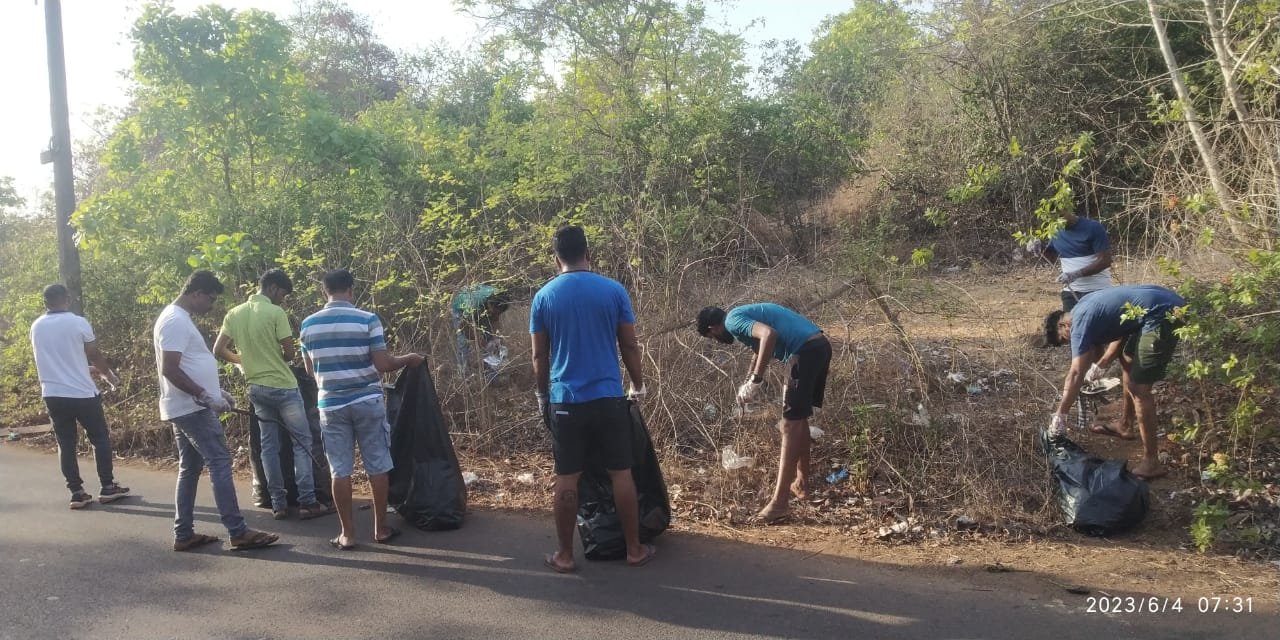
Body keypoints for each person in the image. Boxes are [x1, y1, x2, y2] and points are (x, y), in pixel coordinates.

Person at [531, 225, 654, 573]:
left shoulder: (544, 297)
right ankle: (634, 549)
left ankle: (565, 556)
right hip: (608, 397)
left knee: (567, 477)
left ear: (556, 257)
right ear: (589, 252)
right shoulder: (613, 291)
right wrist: (638, 384)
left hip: (565, 400)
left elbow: (540, 356)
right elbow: (629, 344)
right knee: (621, 473)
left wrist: (542, 395)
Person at [300, 268, 424, 550]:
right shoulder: (367, 319)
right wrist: (409, 359)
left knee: (339, 469)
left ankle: (347, 534)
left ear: (324, 291)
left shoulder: (308, 325)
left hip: (330, 404)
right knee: (377, 464)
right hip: (366, 401)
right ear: (351, 290)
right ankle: (380, 529)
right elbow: (382, 364)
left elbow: (310, 370)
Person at [154, 270, 278, 552]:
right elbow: (169, 368)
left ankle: (184, 533)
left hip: (186, 405)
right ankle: (238, 531)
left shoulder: (178, 318)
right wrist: (204, 396)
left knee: (190, 467)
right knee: (220, 461)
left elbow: (185, 364)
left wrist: (215, 392)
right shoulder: (174, 320)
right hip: (191, 408)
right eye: (209, 299)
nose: (210, 305)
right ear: (195, 293)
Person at [696, 303, 831, 523]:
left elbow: (769, 334)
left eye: (712, 336)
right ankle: (802, 484)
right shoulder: (744, 316)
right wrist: (748, 382)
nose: (717, 340)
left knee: (789, 425)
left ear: (713, 328)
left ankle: (779, 503)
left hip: (805, 353)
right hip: (819, 347)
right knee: (799, 421)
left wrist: (756, 380)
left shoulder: (732, 320)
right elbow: (760, 348)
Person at [214, 268, 331, 521]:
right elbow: (290, 354)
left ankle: (278, 504)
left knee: (269, 447)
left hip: (256, 388)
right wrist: (276, 354)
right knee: (302, 442)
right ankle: (308, 502)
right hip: (284, 387)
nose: (283, 300)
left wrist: (242, 359)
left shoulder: (234, 313)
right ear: (274, 288)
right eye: (283, 294)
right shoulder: (276, 312)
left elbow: (218, 349)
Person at [1045, 285, 1186, 480]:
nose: (1070, 343)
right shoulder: (1083, 307)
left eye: (1064, 340)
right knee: (1128, 358)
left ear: (1063, 326)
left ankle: (1152, 462)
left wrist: (1061, 415)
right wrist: (1102, 364)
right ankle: (1125, 425)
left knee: (1139, 389)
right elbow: (1121, 327)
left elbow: (1076, 373)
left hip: (1163, 313)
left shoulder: (1078, 323)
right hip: (1163, 301)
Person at [29, 284, 130, 509]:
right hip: (82, 393)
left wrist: (92, 370)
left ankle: (76, 492)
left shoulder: (36, 327)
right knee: (100, 438)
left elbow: (60, 361)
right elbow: (93, 354)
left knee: (65, 443)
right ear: (67, 298)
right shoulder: (78, 322)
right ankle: (107, 487)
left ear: (46, 302)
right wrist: (109, 375)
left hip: (53, 394)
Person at [1026, 207, 1114, 311]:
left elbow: (1105, 261)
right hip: (1070, 292)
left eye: (1060, 216)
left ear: (1069, 208)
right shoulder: (1055, 232)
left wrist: (1076, 274)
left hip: (1097, 291)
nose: (1058, 221)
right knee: (1070, 326)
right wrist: (1039, 249)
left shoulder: (1093, 228)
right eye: (1053, 219)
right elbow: (1052, 259)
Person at [451, 284, 512, 381]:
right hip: (461, 309)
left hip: (482, 306)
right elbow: (463, 326)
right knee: (463, 341)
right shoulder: (473, 304)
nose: (496, 314)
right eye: (495, 311)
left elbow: (495, 319)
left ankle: (489, 369)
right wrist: (478, 340)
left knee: (489, 338)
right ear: (490, 305)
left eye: (498, 312)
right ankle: (463, 373)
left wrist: (495, 337)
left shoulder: (500, 298)